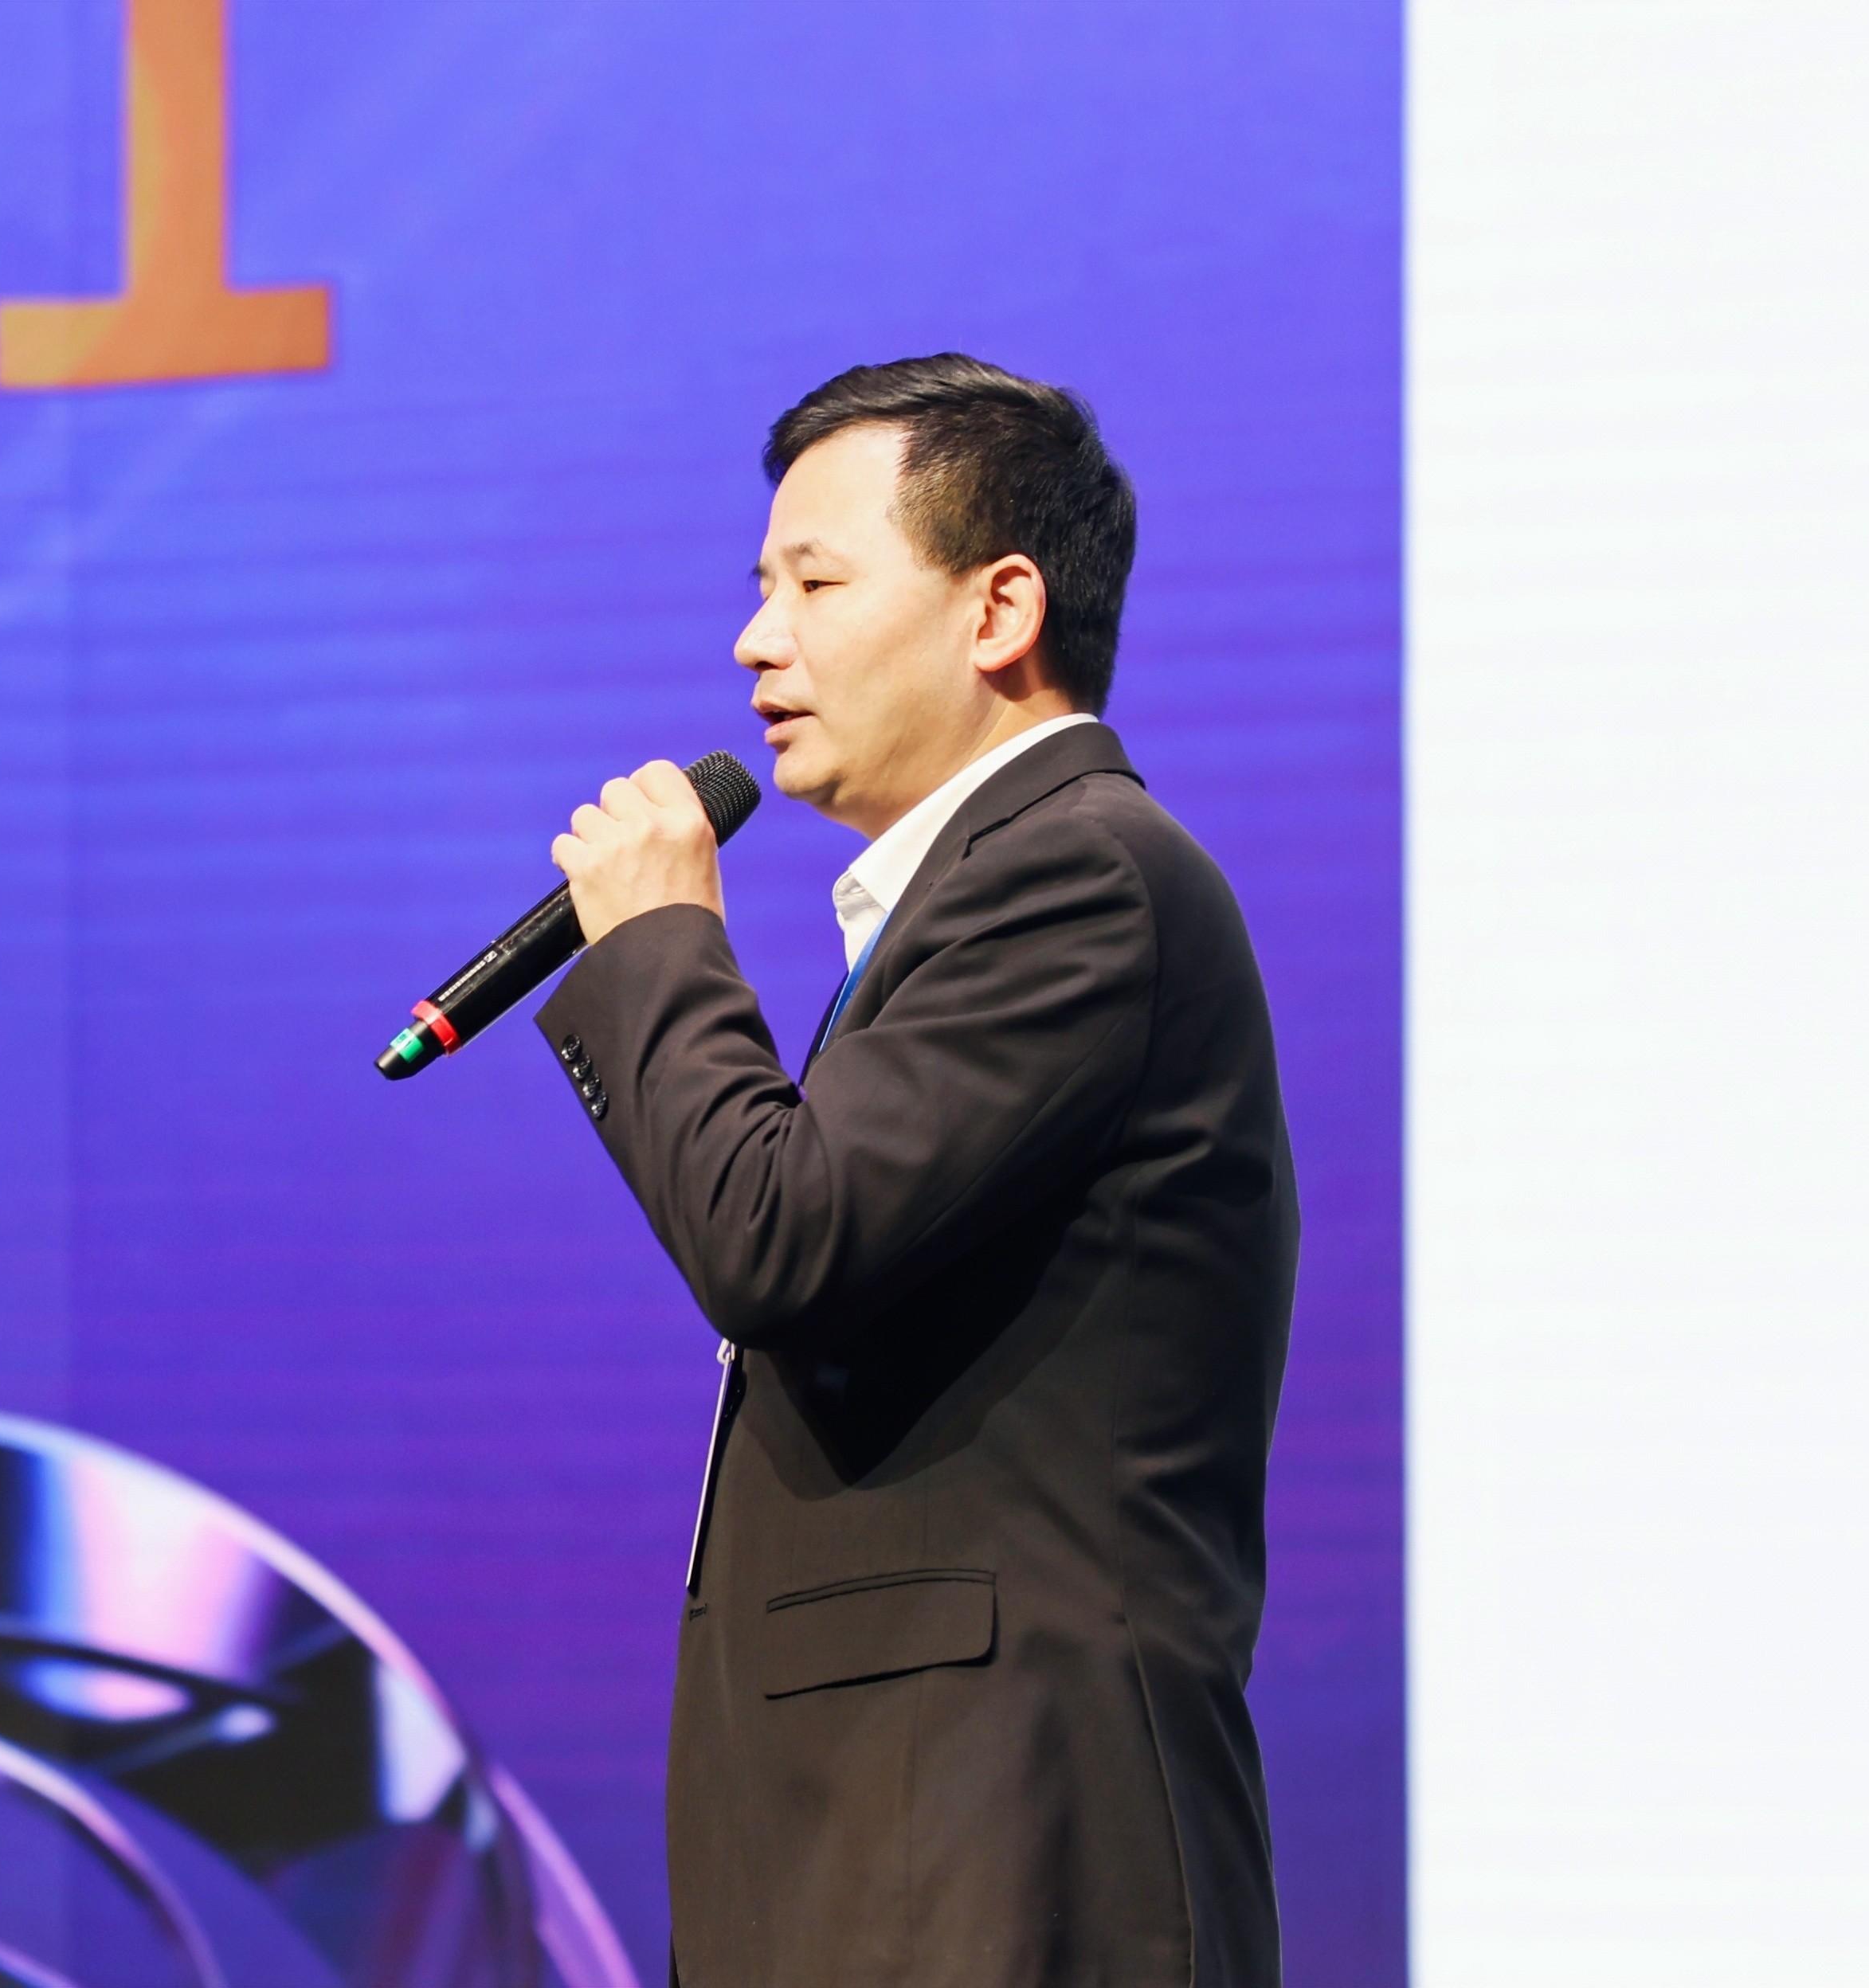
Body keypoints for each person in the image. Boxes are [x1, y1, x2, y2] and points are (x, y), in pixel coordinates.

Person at [535, 354, 1299, 1988]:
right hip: (888, 1857)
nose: (757, 641)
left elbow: (777, 1234)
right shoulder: (975, 900)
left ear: (999, 609)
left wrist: (661, 941)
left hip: (1005, 1859)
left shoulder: (1078, 873)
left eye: (815, 585)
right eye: (761, 588)